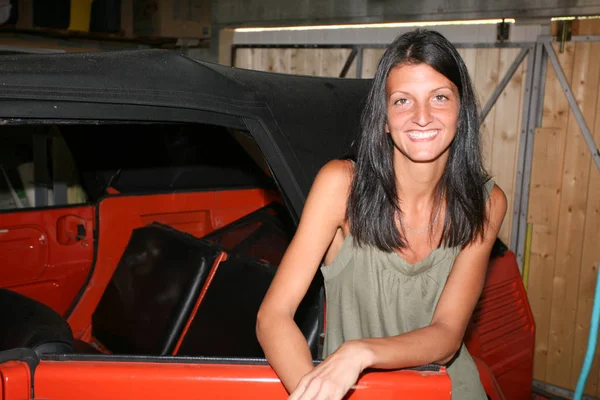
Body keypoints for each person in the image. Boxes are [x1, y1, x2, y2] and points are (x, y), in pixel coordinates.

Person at [256, 28, 507, 400]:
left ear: (461, 112)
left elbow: (447, 335)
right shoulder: (340, 185)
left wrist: (359, 352)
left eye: (439, 97)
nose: (422, 117)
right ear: (385, 118)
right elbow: (273, 317)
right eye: (403, 101)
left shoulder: (486, 202)